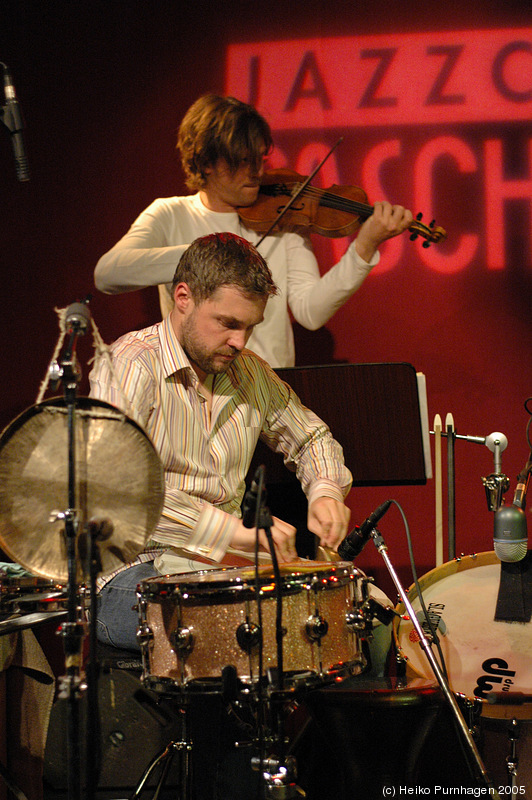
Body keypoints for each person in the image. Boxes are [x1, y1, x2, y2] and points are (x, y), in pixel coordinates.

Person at [89, 232, 353, 799]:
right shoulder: (129, 365)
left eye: (250, 328)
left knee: (357, 621)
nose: (239, 340)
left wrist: (325, 491)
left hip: (222, 571)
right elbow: (118, 489)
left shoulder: (248, 373)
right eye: (226, 323)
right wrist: (232, 532)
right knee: (233, 650)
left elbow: (310, 437)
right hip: (130, 575)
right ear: (182, 297)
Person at [94, 93, 414, 368]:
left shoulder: (284, 216)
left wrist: (366, 246)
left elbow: (310, 312)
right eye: (243, 161)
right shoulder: (169, 214)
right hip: (191, 395)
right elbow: (107, 274)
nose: (258, 172)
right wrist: (204, 257)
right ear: (206, 162)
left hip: (267, 396)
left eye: (260, 159)